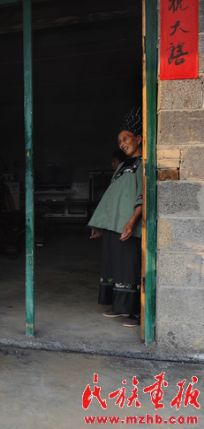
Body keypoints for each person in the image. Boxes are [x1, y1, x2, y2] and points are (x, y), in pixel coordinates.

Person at [88, 107, 143, 329]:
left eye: (125, 138)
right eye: (119, 141)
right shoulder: (121, 166)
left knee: (129, 266)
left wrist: (132, 221)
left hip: (128, 225)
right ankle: (119, 307)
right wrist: (99, 223)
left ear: (138, 139)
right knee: (114, 266)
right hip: (113, 224)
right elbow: (110, 197)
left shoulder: (143, 164)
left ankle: (135, 312)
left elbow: (143, 196)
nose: (122, 143)